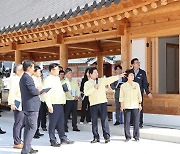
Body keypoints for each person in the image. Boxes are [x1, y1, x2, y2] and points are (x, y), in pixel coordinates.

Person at [84, 67, 125, 143]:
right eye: (95, 72)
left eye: (97, 72)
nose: (97, 74)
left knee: (104, 120)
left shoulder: (101, 80)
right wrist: (94, 87)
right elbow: (86, 93)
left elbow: (110, 79)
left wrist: (119, 76)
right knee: (94, 121)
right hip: (93, 104)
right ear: (90, 74)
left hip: (102, 102)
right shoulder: (87, 83)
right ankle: (96, 137)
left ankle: (107, 137)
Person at [44, 63, 74, 147]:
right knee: (53, 123)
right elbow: (46, 93)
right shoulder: (48, 79)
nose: (58, 71)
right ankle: (52, 139)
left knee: (61, 122)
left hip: (60, 102)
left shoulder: (57, 78)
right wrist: (49, 105)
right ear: (52, 70)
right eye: (57, 69)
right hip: (53, 103)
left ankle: (63, 137)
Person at [20, 60, 43, 154]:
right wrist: (39, 91)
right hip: (31, 106)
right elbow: (33, 91)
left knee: (28, 127)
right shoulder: (27, 78)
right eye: (33, 67)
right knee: (32, 127)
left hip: (29, 105)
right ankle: (25, 150)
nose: (34, 69)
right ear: (29, 67)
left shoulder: (24, 77)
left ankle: (27, 147)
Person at [120, 70, 142, 142]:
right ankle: (128, 137)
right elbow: (121, 96)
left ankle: (136, 137)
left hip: (135, 105)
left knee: (136, 122)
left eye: (133, 75)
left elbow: (139, 95)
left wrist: (139, 104)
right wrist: (122, 105)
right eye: (131, 75)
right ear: (127, 77)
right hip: (127, 106)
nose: (132, 76)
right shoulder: (123, 86)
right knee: (127, 122)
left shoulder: (136, 85)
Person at [130, 58, 153, 128]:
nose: (138, 63)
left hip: (139, 93)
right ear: (133, 64)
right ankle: (131, 122)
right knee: (131, 107)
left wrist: (148, 92)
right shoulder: (129, 72)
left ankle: (140, 122)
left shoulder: (142, 72)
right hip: (130, 93)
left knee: (139, 108)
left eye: (138, 62)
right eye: (136, 62)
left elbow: (145, 83)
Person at [8, 64, 24, 149]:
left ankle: (19, 139)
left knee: (21, 123)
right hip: (17, 102)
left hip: (22, 102)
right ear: (18, 70)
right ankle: (17, 142)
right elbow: (12, 92)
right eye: (22, 69)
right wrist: (11, 103)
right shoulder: (15, 79)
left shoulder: (20, 78)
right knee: (18, 123)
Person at [64, 68, 80, 132]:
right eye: (69, 73)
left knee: (74, 113)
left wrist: (77, 95)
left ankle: (75, 126)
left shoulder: (74, 81)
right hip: (67, 100)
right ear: (66, 74)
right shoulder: (64, 82)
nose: (71, 74)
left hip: (74, 99)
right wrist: (72, 97)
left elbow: (77, 89)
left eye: (71, 73)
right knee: (66, 114)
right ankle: (64, 126)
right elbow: (66, 92)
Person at [32, 66, 44, 138]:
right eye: (39, 71)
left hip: (40, 98)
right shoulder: (32, 78)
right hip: (35, 99)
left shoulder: (39, 78)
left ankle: (37, 130)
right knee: (35, 117)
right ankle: (34, 132)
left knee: (39, 116)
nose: (40, 73)